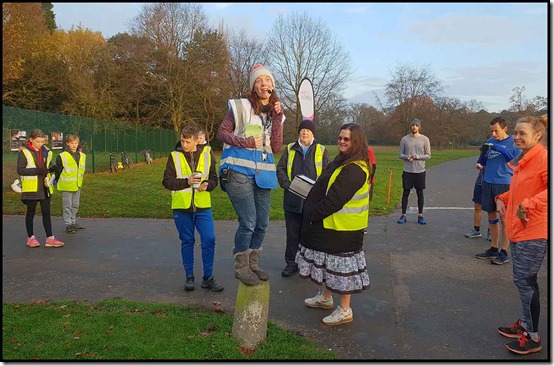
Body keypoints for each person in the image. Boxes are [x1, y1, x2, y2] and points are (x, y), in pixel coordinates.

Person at [296, 123, 371, 326]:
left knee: (342, 271)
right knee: (329, 265)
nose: (341, 141)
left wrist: (311, 213)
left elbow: (334, 200)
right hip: (333, 227)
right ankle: (326, 298)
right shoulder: (342, 161)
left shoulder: (355, 168)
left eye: (346, 139)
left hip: (345, 230)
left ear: (356, 141)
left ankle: (345, 310)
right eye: (340, 138)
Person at [217, 63, 284, 286]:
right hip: (237, 170)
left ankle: (253, 262)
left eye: (267, 80)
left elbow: (275, 147)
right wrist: (244, 142)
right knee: (248, 221)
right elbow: (221, 133)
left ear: (272, 85)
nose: (264, 84)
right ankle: (241, 266)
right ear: (254, 86)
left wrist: (278, 119)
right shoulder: (241, 107)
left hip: (262, 173)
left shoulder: (276, 112)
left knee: (263, 222)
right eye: (259, 80)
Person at [494, 115, 548, 355]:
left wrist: (529, 204)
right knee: (524, 281)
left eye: (522, 133)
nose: (516, 137)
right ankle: (526, 325)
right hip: (518, 227)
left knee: (526, 282)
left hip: (534, 230)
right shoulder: (525, 159)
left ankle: (532, 336)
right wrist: (502, 198)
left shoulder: (544, 159)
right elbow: (520, 190)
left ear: (538, 136)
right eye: (515, 132)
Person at [162, 124, 224, 292]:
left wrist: (207, 185)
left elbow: (214, 178)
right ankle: (189, 277)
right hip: (181, 207)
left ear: (197, 140)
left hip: (203, 206)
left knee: (209, 239)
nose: (184, 144)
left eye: (188, 141)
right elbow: (167, 181)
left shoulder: (207, 154)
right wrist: (185, 182)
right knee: (187, 241)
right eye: (182, 140)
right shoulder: (174, 156)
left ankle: (208, 277)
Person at [276, 119, 331, 277]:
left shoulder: (321, 149)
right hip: (292, 199)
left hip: (313, 201)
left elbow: (328, 173)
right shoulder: (290, 149)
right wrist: (287, 185)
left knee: (310, 234)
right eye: (302, 130)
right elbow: (280, 169)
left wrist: (319, 192)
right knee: (292, 233)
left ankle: (308, 265)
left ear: (313, 133)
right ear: (298, 132)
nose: (304, 132)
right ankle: (291, 263)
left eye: (308, 130)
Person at [475, 117, 521, 265]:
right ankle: (493, 248)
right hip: (488, 182)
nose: (493, 134)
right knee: (491, 217)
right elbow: (484, 160)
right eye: (491, 131)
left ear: (505, 129)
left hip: (504, 184)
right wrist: (480, 162)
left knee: (504, 218)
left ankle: (504, 252)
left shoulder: (514, 142)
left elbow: (516, 162)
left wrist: (499, 149)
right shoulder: (491, 141)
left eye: (496, 131)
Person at [17, 129, 64, 248]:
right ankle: (30, 237)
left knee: (46, 212)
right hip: (31, 188)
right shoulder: (24, 152)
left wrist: (52, 168)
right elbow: (20, 170)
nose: (40, 144)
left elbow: (48, 166)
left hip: (45, 187)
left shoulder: (47, 151)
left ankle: (50, 238)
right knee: (31, 212)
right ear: (31, 140)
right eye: (37, 141)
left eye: (42, 141)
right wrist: (38, 171)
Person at [397, 118, 431, 225]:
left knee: (419, 193)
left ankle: (420, 215)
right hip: (408, 171)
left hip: (420, 171)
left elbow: (428, 155)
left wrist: (417, 157)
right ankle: (403, 215)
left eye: (416, 125)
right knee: (405, 192)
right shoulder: (404, 139)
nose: (414, 127)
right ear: (410, 127)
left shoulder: (425, 139)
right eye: (412, 125)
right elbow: (400, 154)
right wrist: (407, 157)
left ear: (419, 127)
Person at [54, 134, 86, 234]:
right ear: (67, 143)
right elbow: (58, 170)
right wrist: (56, 180)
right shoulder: (62, 156)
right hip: (67, 185)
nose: (74, 145)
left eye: (76, 143)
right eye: (72, 143)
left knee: (75, 205)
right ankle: (68, 224)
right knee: (67, 205)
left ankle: (73, 222)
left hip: (77, 184)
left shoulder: (82, 156)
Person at [465, 145, 491, 240]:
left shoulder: (500, 150)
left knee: (492, 209)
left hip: (493, 182)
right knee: (477, 206)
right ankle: (476, 230)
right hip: (481, 180)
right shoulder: (485, 148)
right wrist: (479, 165)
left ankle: (491, 231)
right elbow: (480, 162)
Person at [363, 145, 377, 234]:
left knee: (364, 205)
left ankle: (363, 227)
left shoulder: (368, 149)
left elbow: (373, 166)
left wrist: (370, 181)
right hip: (354, 180)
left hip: (367, 181)